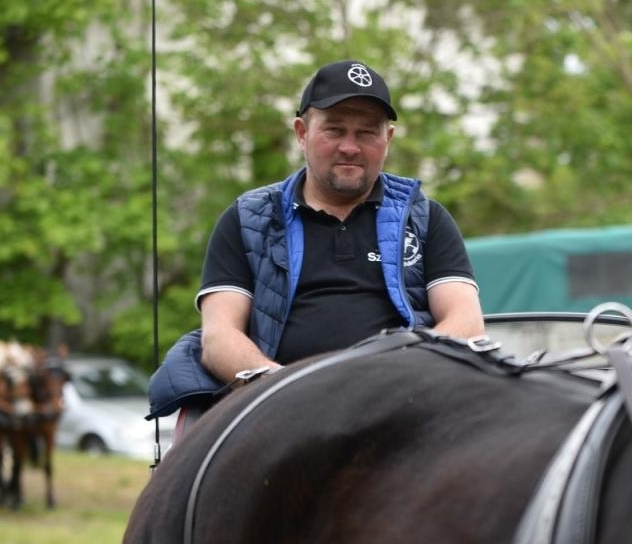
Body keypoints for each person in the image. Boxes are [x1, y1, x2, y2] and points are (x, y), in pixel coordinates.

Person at [148, 59, 485, 420]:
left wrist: (395, 378)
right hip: (280, 407)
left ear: (387, 140)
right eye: (334, 130)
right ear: (301, 132)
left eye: (367, 133)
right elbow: (218, 339)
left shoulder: (425, 217)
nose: (350, 147)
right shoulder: (247, 219)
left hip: (401, 403)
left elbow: (466, 323)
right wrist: (286, 389)